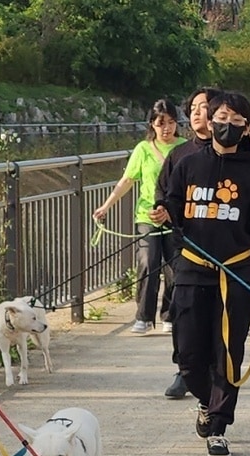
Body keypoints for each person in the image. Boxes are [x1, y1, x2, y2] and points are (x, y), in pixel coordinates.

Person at [158, 90, 250, 456]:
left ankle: (219, 426)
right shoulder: (188, 163)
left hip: (237, 272)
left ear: (246, 127)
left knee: (228, 352)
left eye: (236, 121)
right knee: (189, 355)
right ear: (210, 120)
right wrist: (164, 211)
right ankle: (206, 401)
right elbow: (173, 202)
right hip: (193, 269)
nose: (226, 126)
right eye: (220, 118)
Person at [93, 98, 184, 335]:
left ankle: (170, 315)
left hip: (175, 217)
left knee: (175, 265)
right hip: (147, 214)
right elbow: (127, 180)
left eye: (171, 122)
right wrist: (106, 206)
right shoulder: (143, 149)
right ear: (152, 124)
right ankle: (143, 316)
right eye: (161, 123)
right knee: (147, 261)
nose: (167, 128)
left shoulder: (186, 147)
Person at [151, 86, 220, 399]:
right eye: (192, 107)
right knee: (182, 308)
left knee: (218, 317)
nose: (195, 113)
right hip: (186, 250)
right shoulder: (179, 155)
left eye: (203, 106)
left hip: (228, 255)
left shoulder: (238, 155)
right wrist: (162, 210)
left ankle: (216, 373)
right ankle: (184, 369)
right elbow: (162, 192)